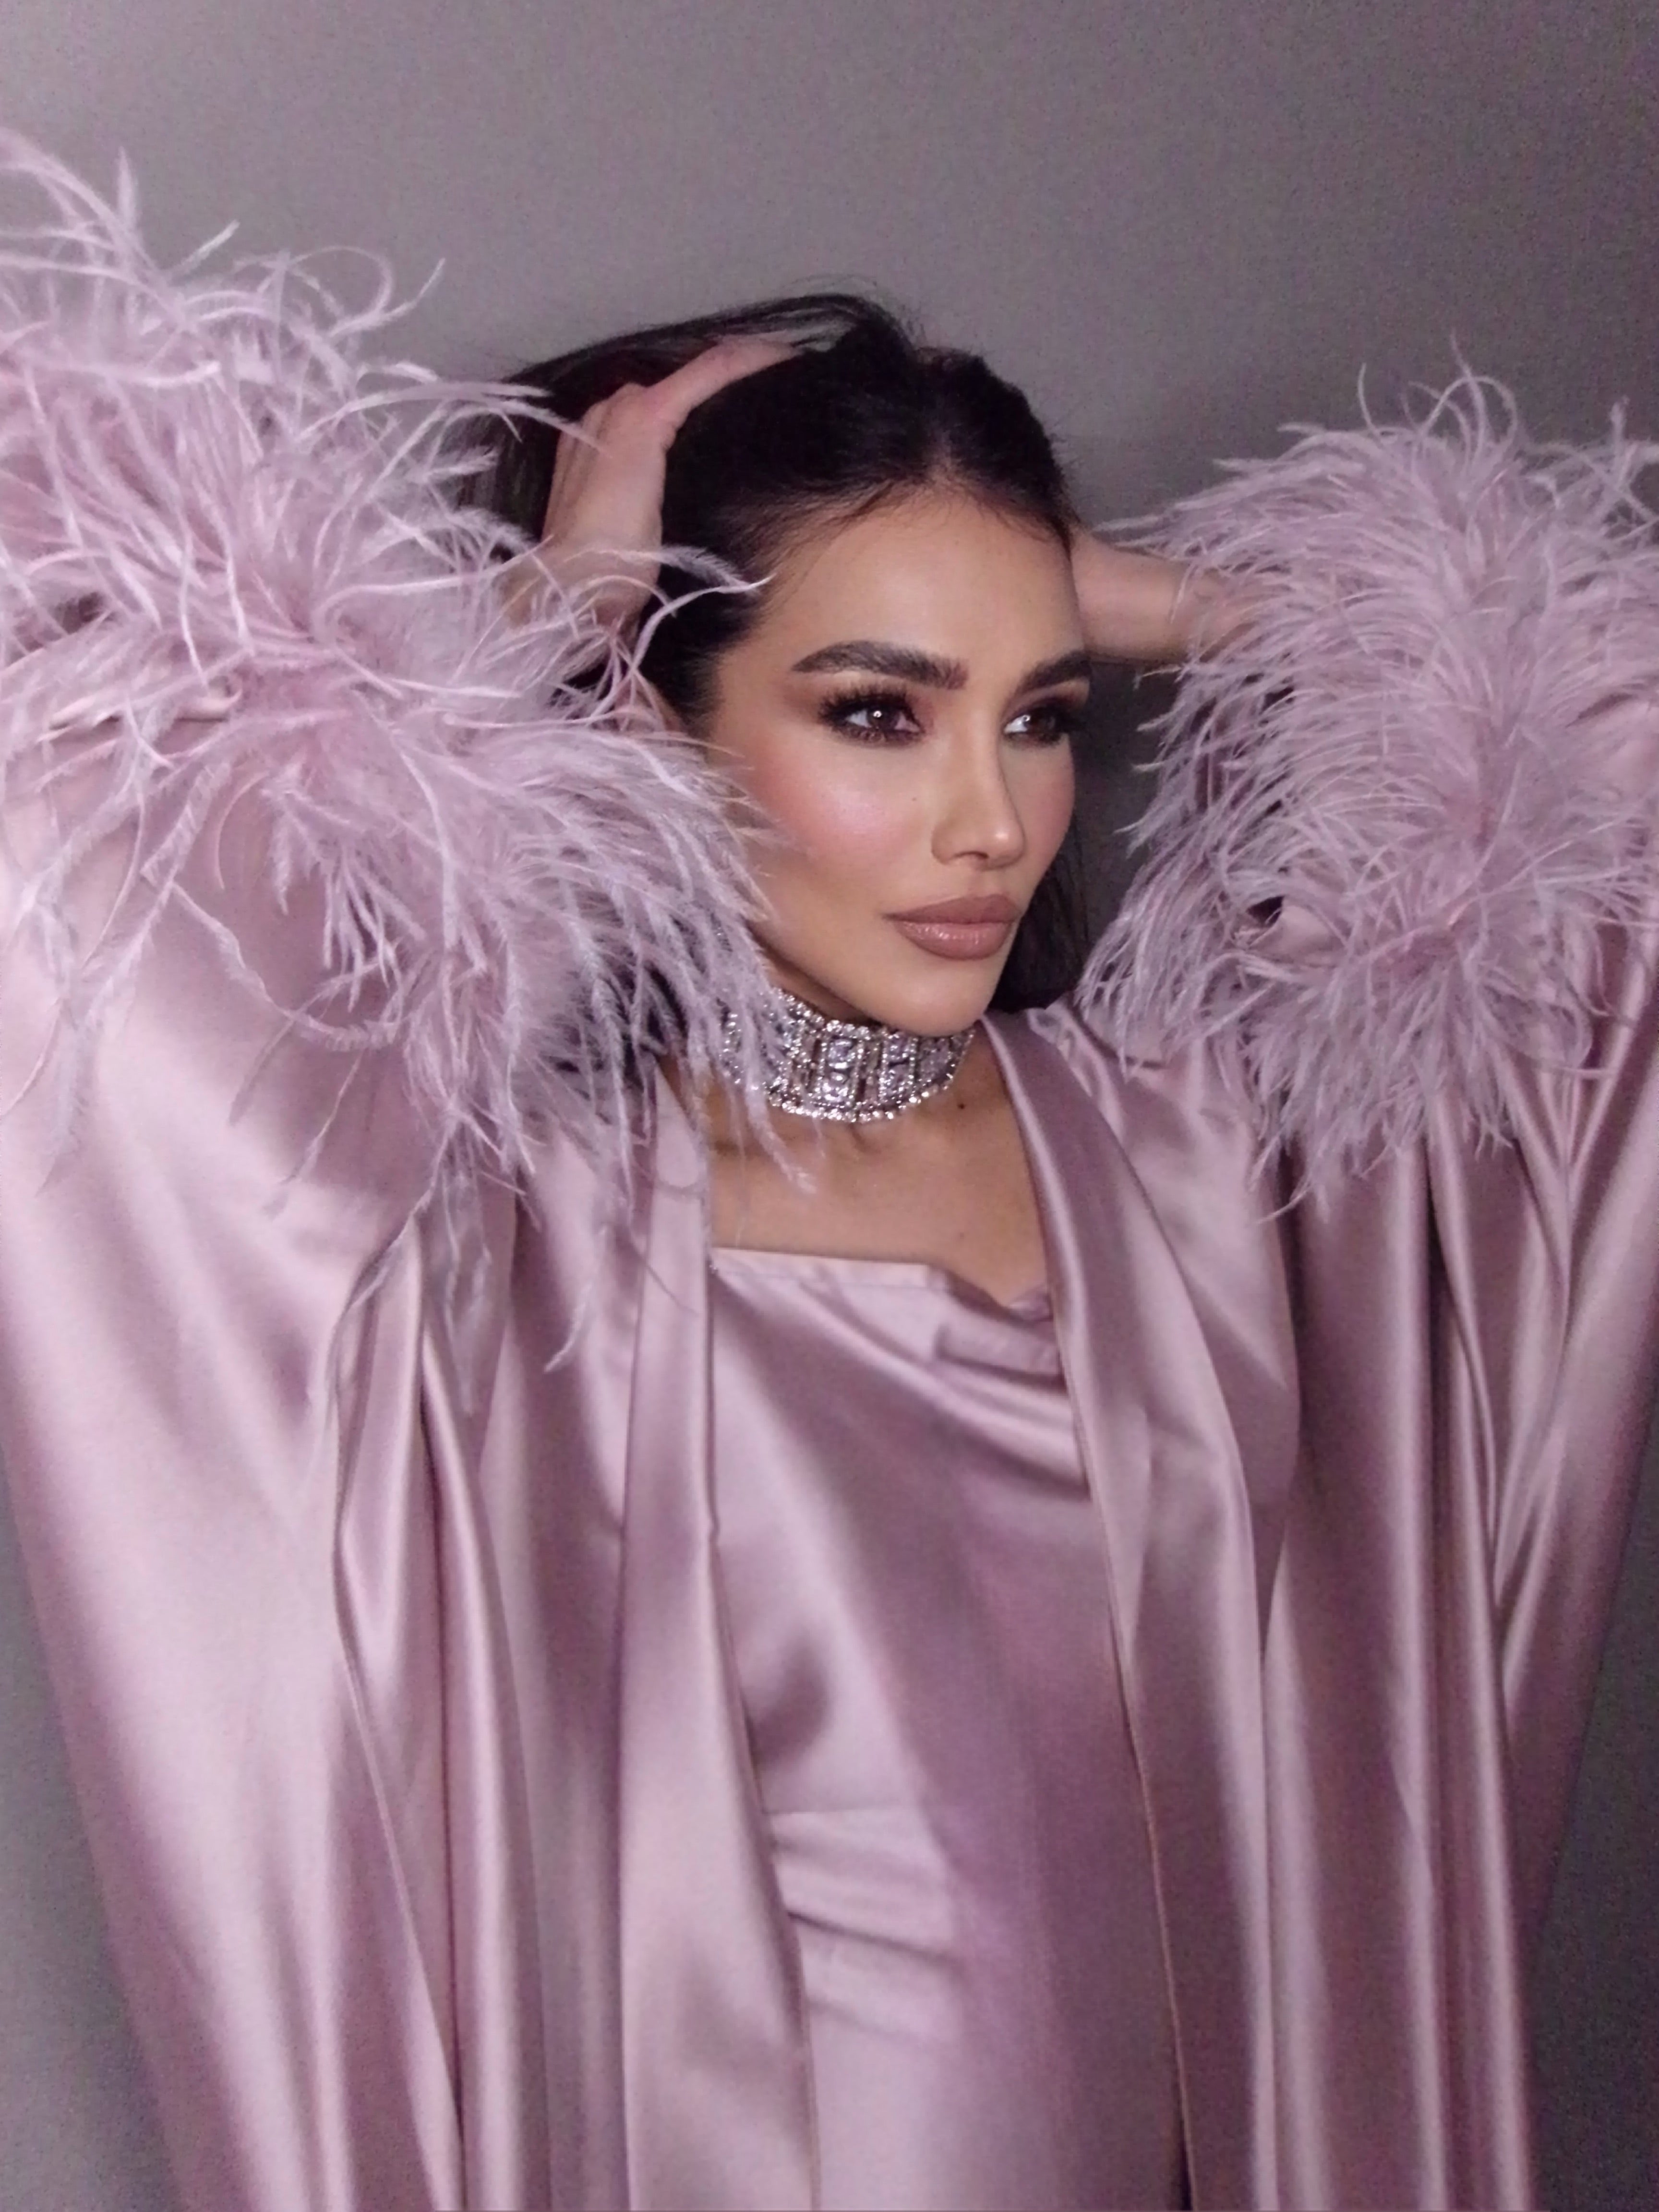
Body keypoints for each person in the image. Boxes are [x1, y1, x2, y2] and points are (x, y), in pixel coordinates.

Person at [1, 137, 1657, 2212]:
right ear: (662, 730)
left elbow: (1613, 748)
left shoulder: (1203, 1160)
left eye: (1041, 716)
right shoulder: (495, 1242)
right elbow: (73, 863)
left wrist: (1152, 595)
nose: (993, 823)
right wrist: (549, 631)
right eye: (881, 714)